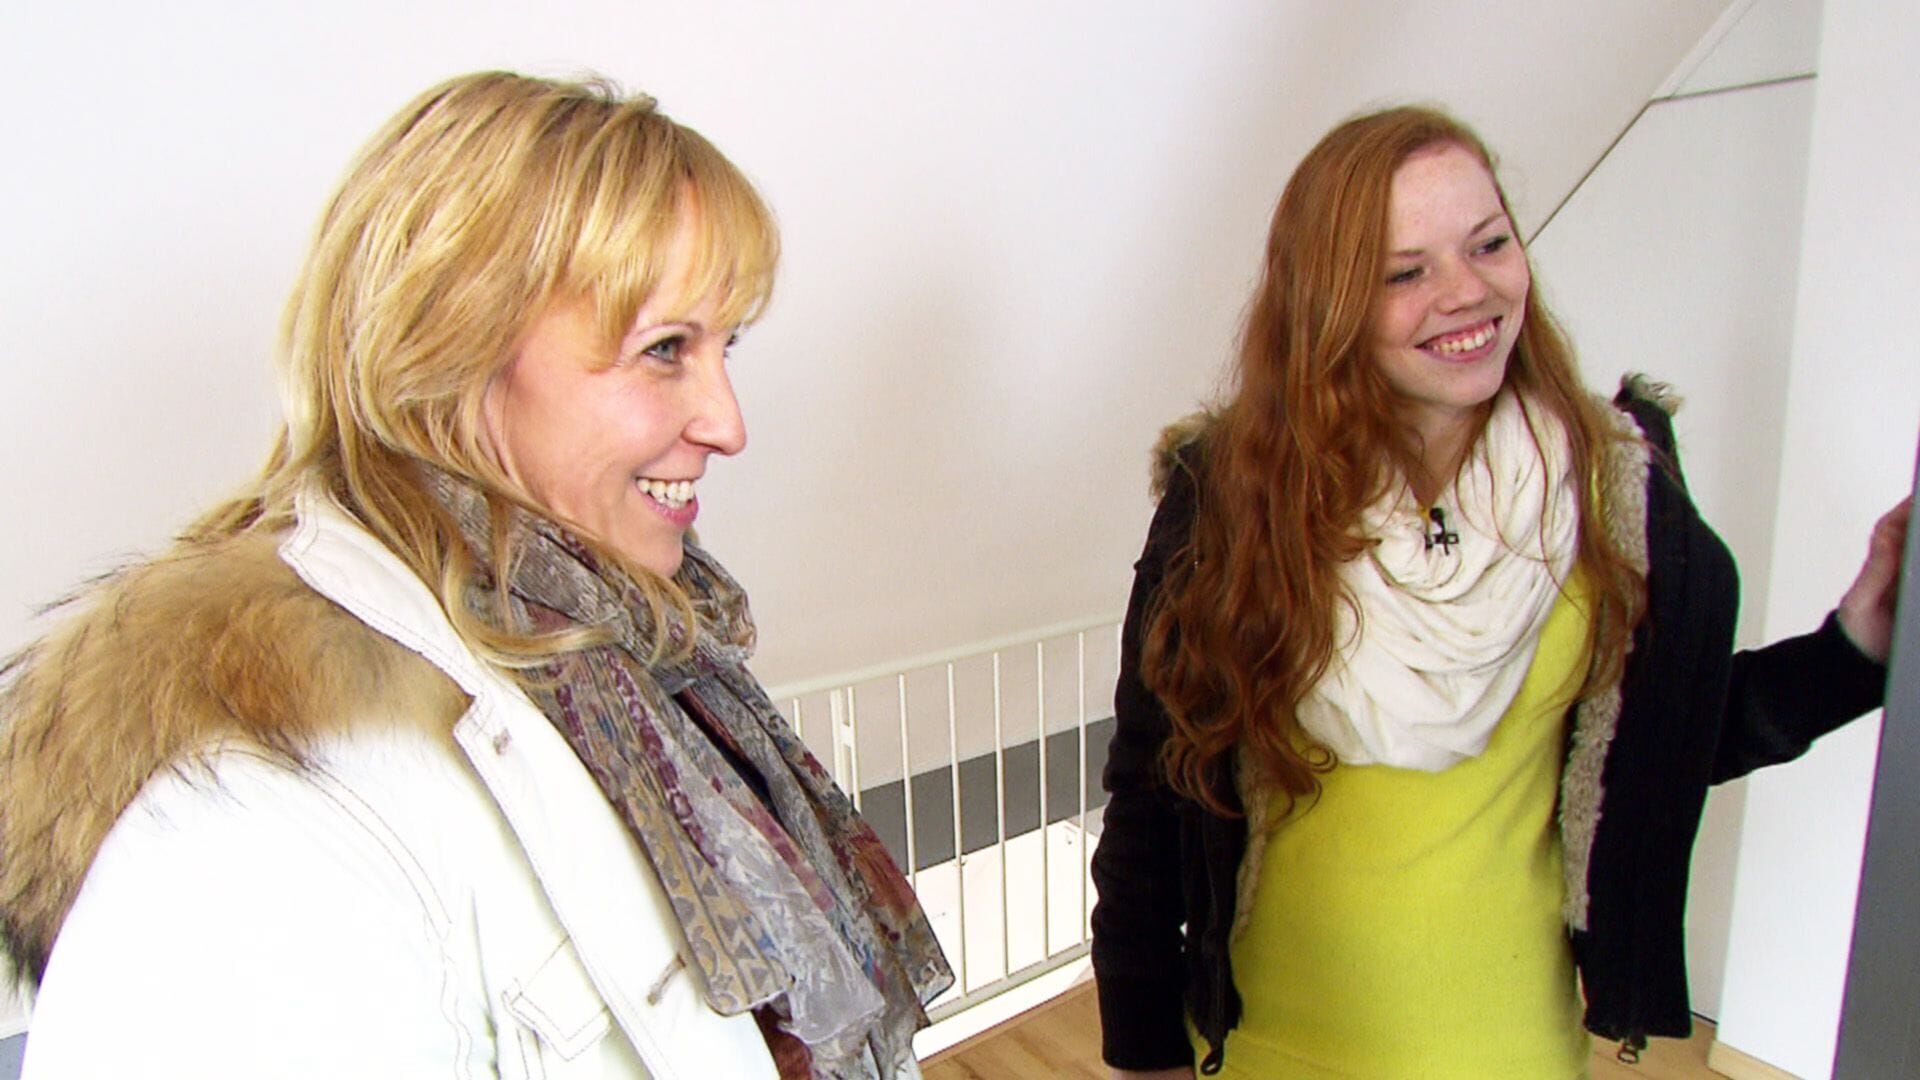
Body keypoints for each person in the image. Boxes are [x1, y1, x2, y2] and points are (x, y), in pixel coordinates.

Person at [0, 71, 950, 1079]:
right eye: (665, 349)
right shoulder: (262, 824)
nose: (728, 423)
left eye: (727, 347)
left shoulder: (612, 658)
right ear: (448, 355)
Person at [1088, 105, 1910, 1079]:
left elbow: (1665, 743)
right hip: (1268, 1047)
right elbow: (1151, 791)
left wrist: (1853, 648)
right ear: (1325, 305)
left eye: (1489, 244)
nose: (1468, 292)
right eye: (1405, 272)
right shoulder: (1230, 500)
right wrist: (1142, 1053)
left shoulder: (1610, 491)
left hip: (1513, 1048)